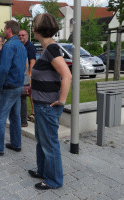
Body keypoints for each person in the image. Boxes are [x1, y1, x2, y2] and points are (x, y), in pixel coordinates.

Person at [28, 13, 72, 190]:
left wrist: (61, 100)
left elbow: (67, 75)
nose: (32, 28)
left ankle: (53, 181)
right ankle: (42, 171)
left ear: (39, 29)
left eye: (34, 25)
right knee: (42, 141)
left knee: (49, 144)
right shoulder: (47, 49)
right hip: (41, 105)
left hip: (47, 106)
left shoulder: (52, 49)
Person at [0, 20, 27, 156]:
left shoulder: (9, 46)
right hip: (18, 86)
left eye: (4, 28)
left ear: (9, 30)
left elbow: (3, 69)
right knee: (15, 117)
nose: (3, 30)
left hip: (8, 86)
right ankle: (16, 144)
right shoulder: (21, 46)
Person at [18, 29, 36, 127]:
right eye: (19, 35)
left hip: (29, 74)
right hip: (23, 75)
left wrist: (29, 74)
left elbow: (32, 61)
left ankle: (33, 113)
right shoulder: (21, 46)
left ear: (27, 36)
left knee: (30, 94)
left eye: (23, 35)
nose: (21, 37)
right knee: (27, 94)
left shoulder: (30, 46)